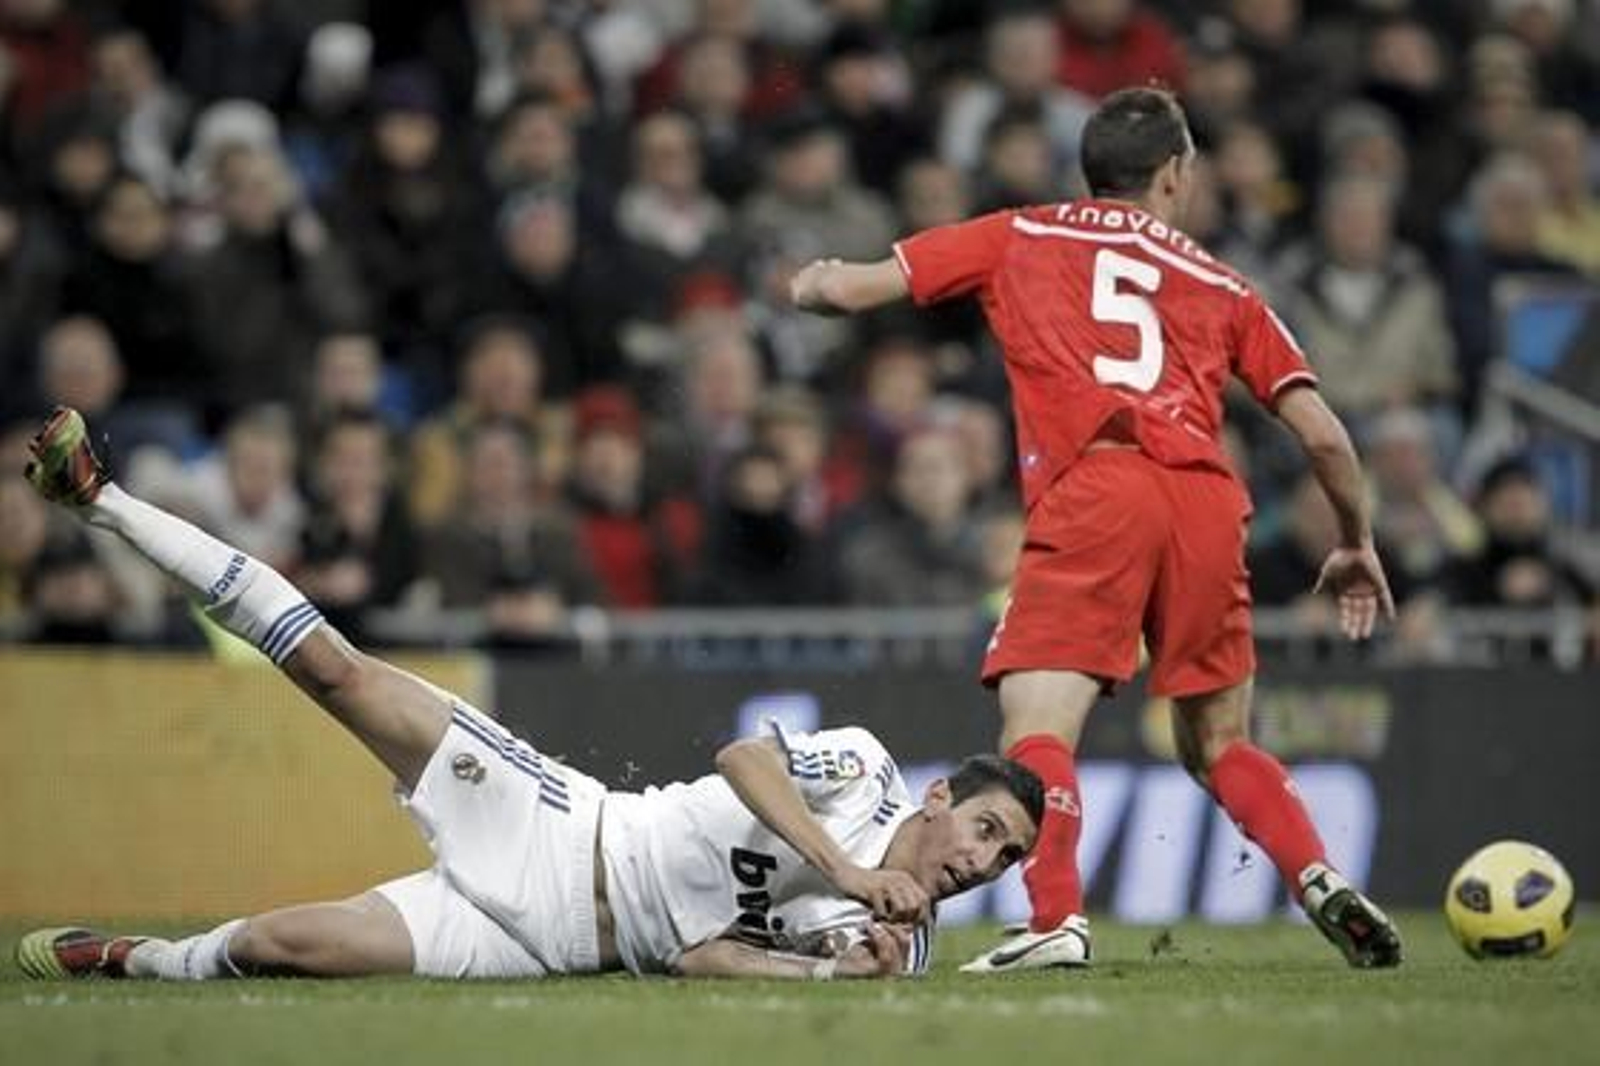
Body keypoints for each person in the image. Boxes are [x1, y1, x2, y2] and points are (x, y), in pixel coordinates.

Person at [14, 407, 1041, 984]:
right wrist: (846, 871)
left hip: (549, 943)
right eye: (988, 827)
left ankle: (136, 960)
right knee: (336, 670)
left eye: (1006, 860)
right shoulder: (861, 769)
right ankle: (102, 498)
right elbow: (743, 760)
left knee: (285, 947)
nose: (982, 862)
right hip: (561, 825)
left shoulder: (892, 950)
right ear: (942, 794)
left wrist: (830, 973)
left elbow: (698, 961)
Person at [790, 87, 1403, 972]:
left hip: (1097, 485)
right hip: (1203, 499)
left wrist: (807, 284)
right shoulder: (1223, 283)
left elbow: (851, 289)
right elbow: (1324, 435)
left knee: (1037, 728)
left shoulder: (1021, 233)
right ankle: (1319, 875)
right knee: (1220, 743)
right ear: (1177, 174)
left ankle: (1055, 919)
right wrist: (1354, 540)